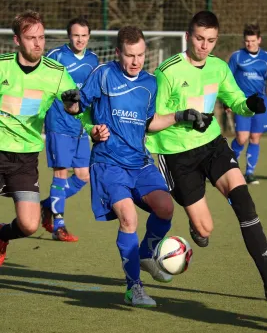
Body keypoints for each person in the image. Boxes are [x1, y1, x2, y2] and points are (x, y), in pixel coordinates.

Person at [61, 25, 212, 307]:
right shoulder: (104, 74)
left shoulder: (150, 83)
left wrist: (181, 116)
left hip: (140, 163)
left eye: (141, 55)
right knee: (128, 218)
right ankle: (134, 288)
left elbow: (150, 123)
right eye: (130, 55)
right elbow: (78, 107)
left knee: (166, 208)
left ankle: (146, 254)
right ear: (118, 52)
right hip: (108, 164)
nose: (136, 61)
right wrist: (76, 109)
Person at [146, 11, 267, 300]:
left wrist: (250, 105)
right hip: (176, 154)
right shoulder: (168, 71)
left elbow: (235, 100)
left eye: (211, 40)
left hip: (212, 144)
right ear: (188, 37)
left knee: (244, 203)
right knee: (205, 230)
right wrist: (183, 117)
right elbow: (150, 121)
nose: (205, 46)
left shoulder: (219, 67)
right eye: (199, 39)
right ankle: (196, 227)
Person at [0, 10, 79, 266]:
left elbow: (74, 106)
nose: (38, 43)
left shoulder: (56, 73)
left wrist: (71, 104)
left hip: (24, 158)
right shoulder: (2, 67)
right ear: (17, 41)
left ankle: (2, 236)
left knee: (29, 225)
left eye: (42, 37)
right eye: (31, 38)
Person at [40, 17, 99, 242]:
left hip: (81, 126)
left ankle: (47, 206)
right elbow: (43, 83)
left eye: (84, 35)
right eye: (76, 35)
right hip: (59, 124)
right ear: (69, 36)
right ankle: (59, 227)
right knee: (61, 174)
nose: (80, 39)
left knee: (83, 176)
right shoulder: (56, 56)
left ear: (89, 36)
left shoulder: (93, 60)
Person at [227, 23, 267, 185]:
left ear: (259, 40)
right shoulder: (237, 56)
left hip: (261, 102)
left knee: (255, 137)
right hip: (241, 101)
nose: (249, 44)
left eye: (252, 40)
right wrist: (227, 101)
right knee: (242, 138)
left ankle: (249, 173)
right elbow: (227, 80)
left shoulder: (265, 58)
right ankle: (229, 164)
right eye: (247, 41)